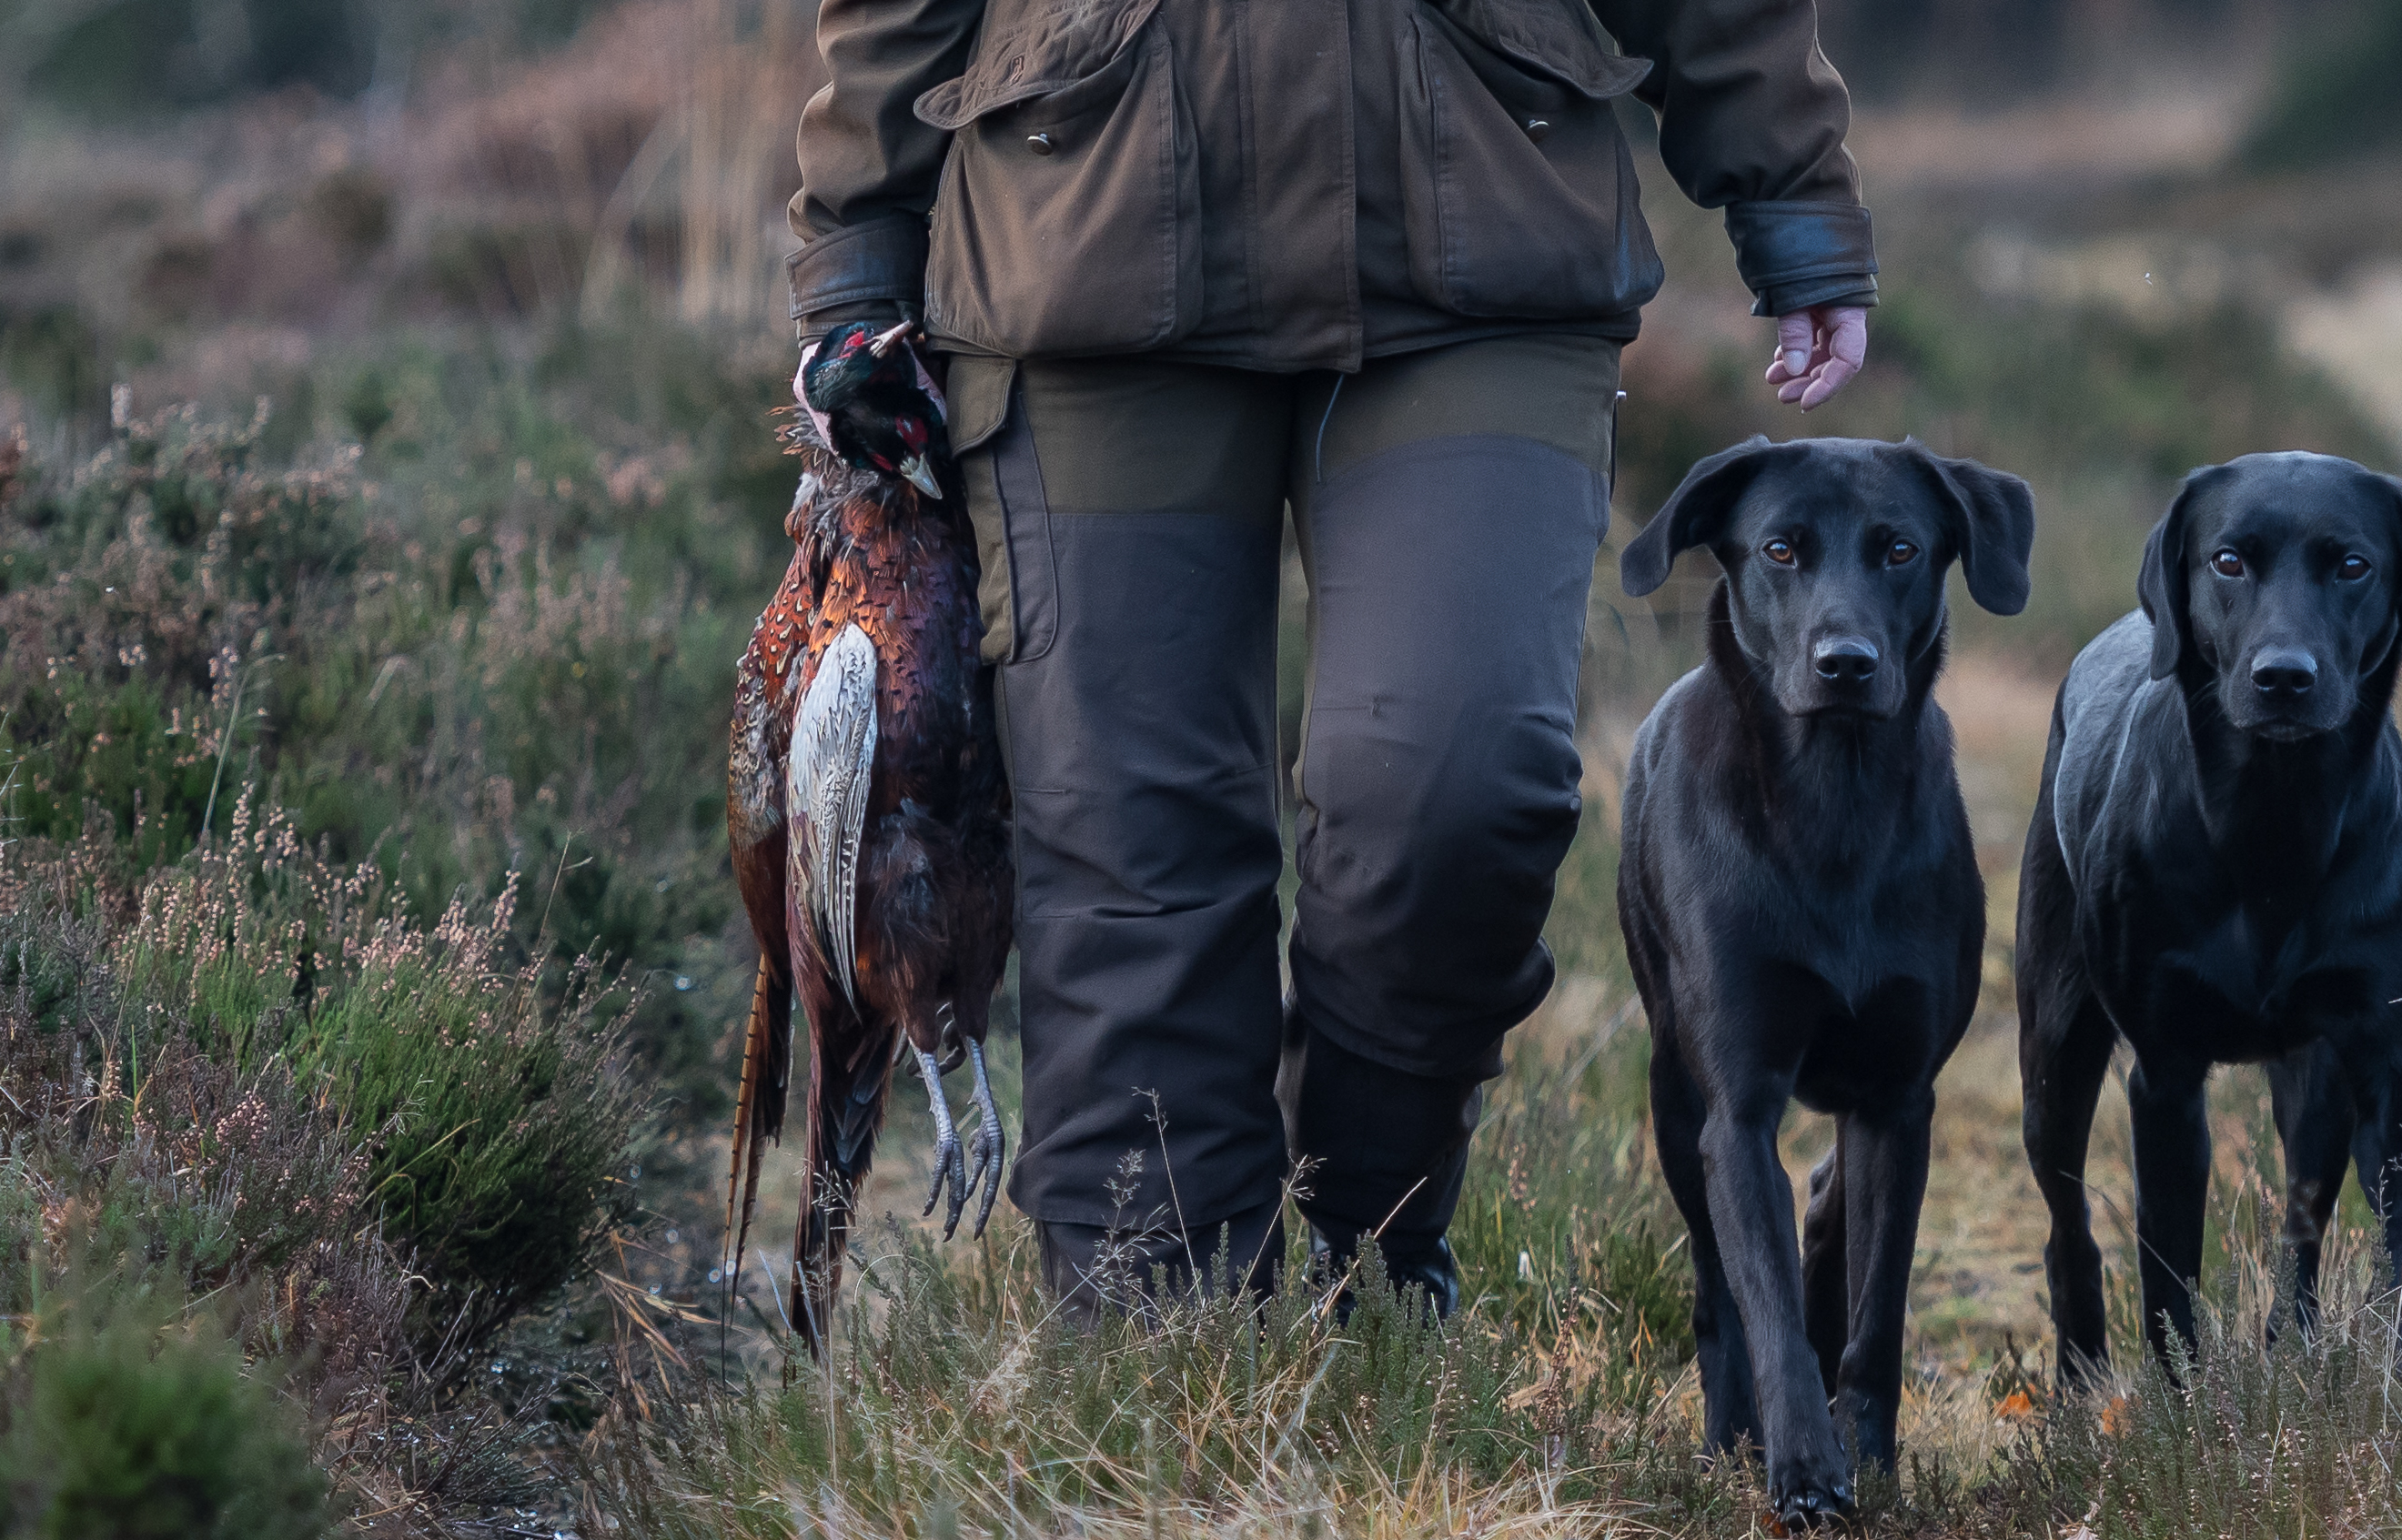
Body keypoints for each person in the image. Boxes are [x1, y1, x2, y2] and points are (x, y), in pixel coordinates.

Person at [786, 0, 1875, 1314]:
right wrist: (857, 259)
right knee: (1126, 836)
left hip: (1487, 233)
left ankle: (1360, 1238)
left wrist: (1791, 188)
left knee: (1458, 789)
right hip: (1079, 233)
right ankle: (1156, 1326)